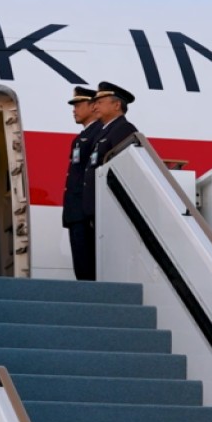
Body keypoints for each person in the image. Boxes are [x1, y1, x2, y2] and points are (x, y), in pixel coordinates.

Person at [79, 81, 139, 280]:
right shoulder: (105, 131)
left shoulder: (123, 129)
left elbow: (124, 168)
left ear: (116, 105)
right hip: (97, 207)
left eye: (100, 102)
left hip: (110, 207)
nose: (95, 106)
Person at [61, 86, 101, 281]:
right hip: (76, 212)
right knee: (81, 266)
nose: (74, 110)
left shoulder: (98, 134)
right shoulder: (81, 138)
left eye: (78, 104)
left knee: (88, 268)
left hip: (85, 212)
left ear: (93, 106)